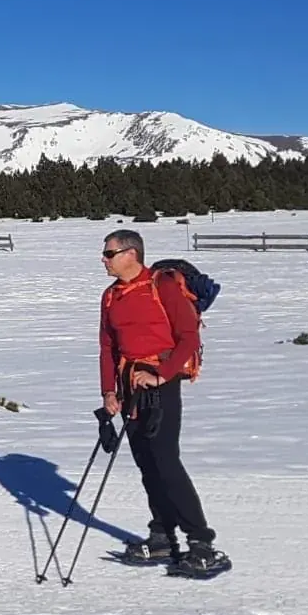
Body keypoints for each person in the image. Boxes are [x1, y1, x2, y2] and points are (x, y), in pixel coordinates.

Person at [100, 230, 229, 576]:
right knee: (147, 463)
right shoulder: (111, 296)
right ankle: (161, 537)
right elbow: (107, 347)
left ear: (131, 254)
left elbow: (189, 337)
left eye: (109, 253)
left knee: (166, 462)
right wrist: (108, 392)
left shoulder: (163, 286)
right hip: (130, 388)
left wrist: (163, 374)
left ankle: (201, 543)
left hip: (161, 386)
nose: (104, 259)